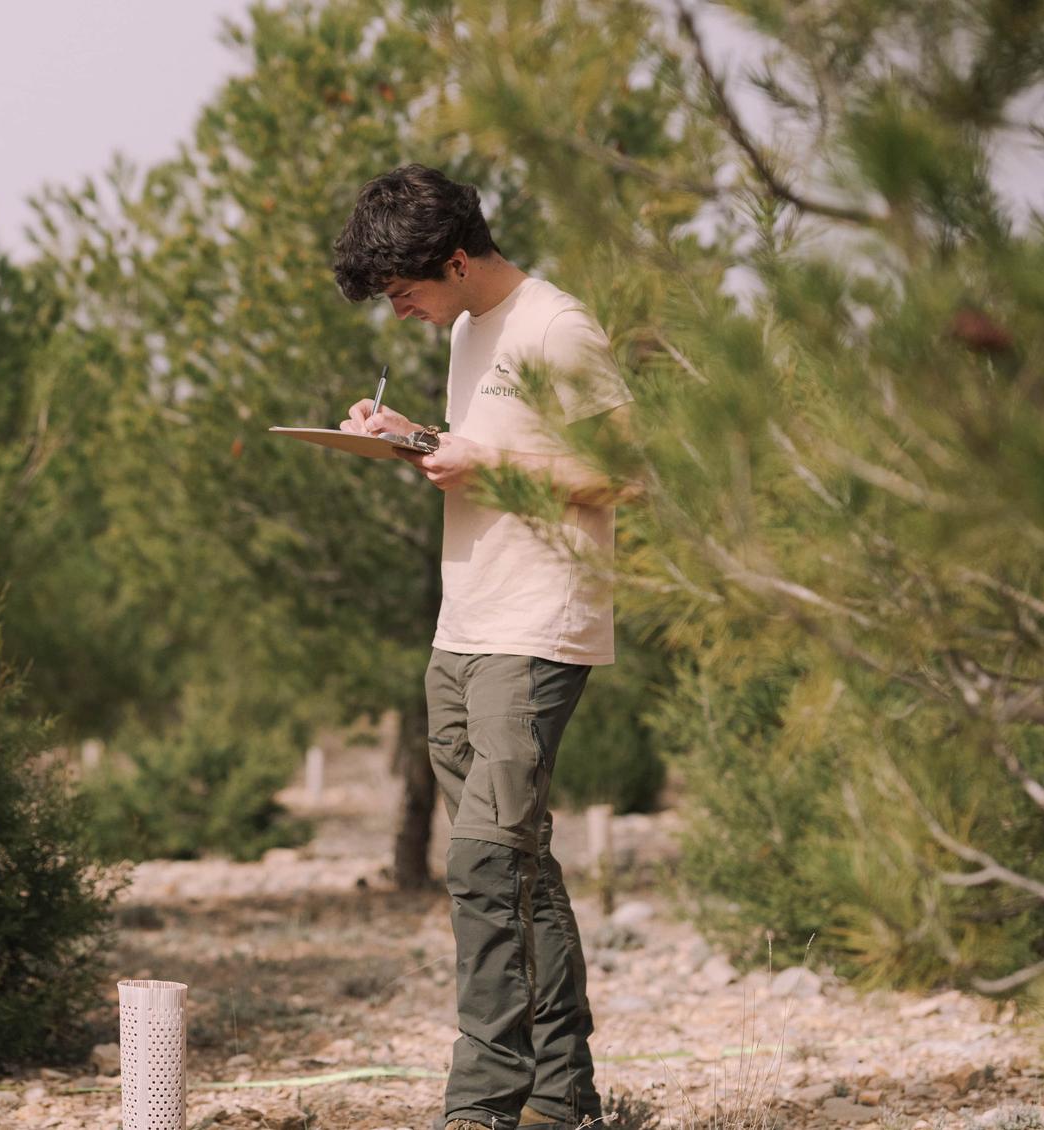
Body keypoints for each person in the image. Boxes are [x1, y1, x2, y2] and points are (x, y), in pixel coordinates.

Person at [332, 163, 639, 1130]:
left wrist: (483, 457)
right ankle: (563, 1097)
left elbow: (627, 475)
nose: (399, 313)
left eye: (403, 293)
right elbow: (492, 454)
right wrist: (415, 437)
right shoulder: (469, 329)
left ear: (457, 261)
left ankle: (482, 1106)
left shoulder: (558, 327)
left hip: (537, 625)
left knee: (483, 865)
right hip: (463, 622)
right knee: (516, 865)